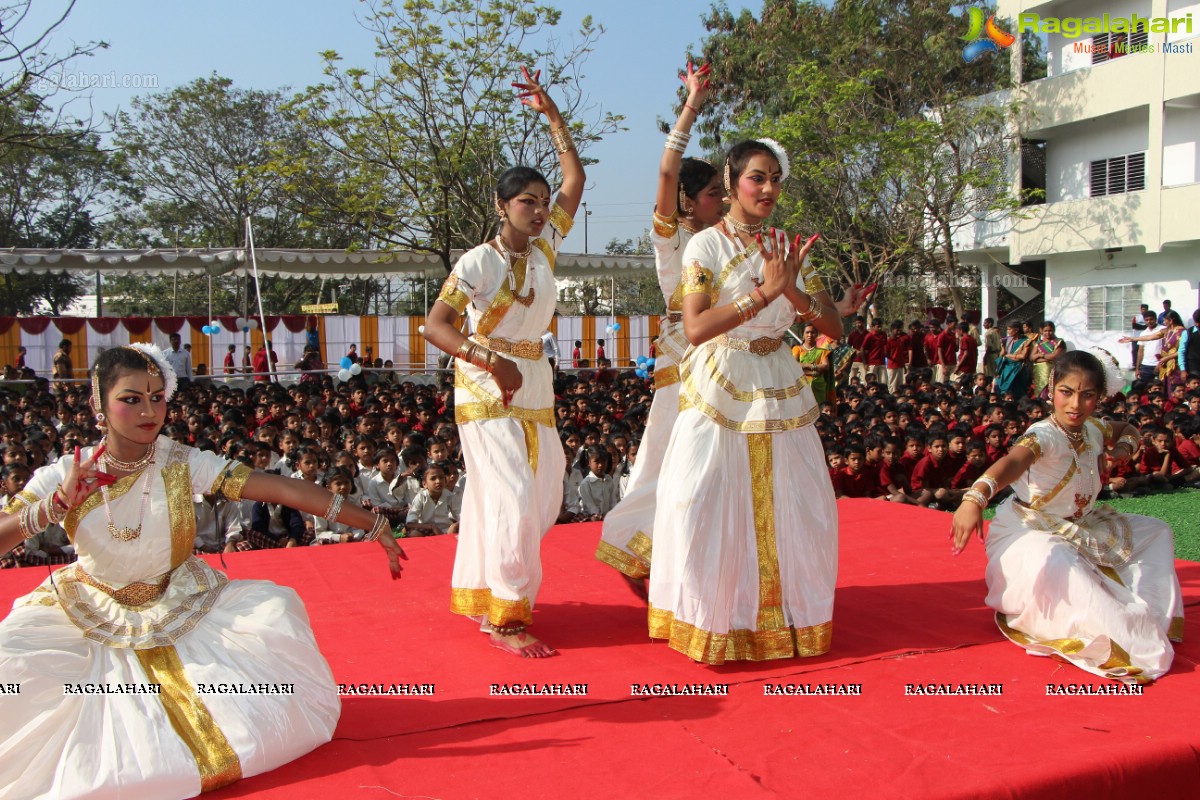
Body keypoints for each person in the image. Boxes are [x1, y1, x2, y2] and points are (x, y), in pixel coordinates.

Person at [0, 344, 405, 799]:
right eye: (131, 398)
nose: (149, 410)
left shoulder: (181, 462)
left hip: (177, 598)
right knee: (12, 667)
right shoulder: (63, 474)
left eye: (157, 396)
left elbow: (280, 487)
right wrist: (54, 507)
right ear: (98, 402)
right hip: (87, 606)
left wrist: (371, 522)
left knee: (276, 613)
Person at [648, 138, 865, 664]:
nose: (768, 189)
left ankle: (786, 615)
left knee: (802, 501)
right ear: (732, 182)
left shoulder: (787, 247)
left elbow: (833, 326)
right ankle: (716, 615)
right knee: (702, 497)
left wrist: (790, 290)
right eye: (757, 178)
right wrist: (764, 295)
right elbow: (697, 326)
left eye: (774, 180)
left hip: (779, 378)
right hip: (722, 374)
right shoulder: (704, 246)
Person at [422, 66, 583, 659]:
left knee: (541, 494)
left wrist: (551, 115)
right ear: (501, 205)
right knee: (513, 493)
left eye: (542, 203)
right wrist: (489, 359)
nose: (539, 211)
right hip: (484, 382)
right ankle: (507, 620)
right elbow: (435, 326)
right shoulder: (476, 264)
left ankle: (490, 587)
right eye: (526, 202)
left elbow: (575, 176)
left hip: (535, 377)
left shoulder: (546, 247)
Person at [952, 349, 1182, 683]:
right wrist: (976, 497)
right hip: (1030, 530)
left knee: (1157, 531)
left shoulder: (1093, 429)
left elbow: (1128, 427)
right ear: (1051, 389)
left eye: (1087, 395)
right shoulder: (1044, 435)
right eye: (1067, 392)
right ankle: (1105, 628)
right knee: (1057, 557)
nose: (1075, 405)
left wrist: (1121, 451)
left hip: (1082, 525)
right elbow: (1013, 462)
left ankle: (1148, 614)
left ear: (1099, 397)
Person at [597, 61, 721, 589]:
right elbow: (667, 173)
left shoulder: (725, 243)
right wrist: (692, 104)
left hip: (721, 362)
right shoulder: (674, 240)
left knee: (712, 468)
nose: (723, 199)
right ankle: (637, 551)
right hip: (683, 362)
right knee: (668, 462)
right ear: (688, 203)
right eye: (715, 191)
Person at [793, 322, 834, 405]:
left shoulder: (822, 351)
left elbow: (825, 366)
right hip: (802, 385)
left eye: (812, 332)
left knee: (820, 409)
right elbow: (794, 365)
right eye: (807, 332)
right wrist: (813, 370)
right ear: (803, 334)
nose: (810, 335)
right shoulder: (797, 349)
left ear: (816, 334)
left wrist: (804, 366)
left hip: (819, 386)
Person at [994, 321, 1032, 400]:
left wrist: (1008, 355)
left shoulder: (1026, 340)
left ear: (1017, 329)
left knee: (1018, 392)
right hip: (1006, 368)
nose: (1008, 331)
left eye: (1009, 329)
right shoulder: (1007, 340)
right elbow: (1002, 354)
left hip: (1018, 369)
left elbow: (1023, 356)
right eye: (1007, 329)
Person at [1029, 321, 1064, 398]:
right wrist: (1040, 355)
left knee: (1049, 391)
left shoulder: (1058, 342)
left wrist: (1040, 356)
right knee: (1039, 393)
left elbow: (1054, 357)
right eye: (1045, 331)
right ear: (1041, 331)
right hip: (1038, 372)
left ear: (1054, 330)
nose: (1048, 333)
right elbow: (1032, 358)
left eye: (1050, 330)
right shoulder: (1039, 343)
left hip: (1051, 370)